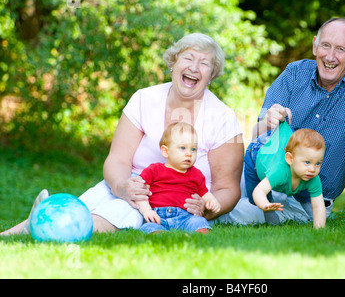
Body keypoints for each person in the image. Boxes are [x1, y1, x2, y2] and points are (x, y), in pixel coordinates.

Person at [1, 33, 243, 236]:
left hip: (179, 201)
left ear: (212, 76)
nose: (193, 67)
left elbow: (228, 188)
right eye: (188, 58)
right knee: (87, 202)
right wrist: (122, 186)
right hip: (133, 184)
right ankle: (15, 233)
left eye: (204, 63)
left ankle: (54, 229)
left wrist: (207, 207)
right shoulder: (144, 99)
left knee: (115, 214)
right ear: (173, 63)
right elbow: (117, 160)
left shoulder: (222, 117)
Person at [229, 17, 345, 226]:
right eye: (325, 45)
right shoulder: (294, 74)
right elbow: (257, 137)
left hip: (306, 198)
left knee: (239, 213)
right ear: (315, 45)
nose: (330, 56)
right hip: (264, 172)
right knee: (218, 190)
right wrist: (267, 123)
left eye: (340, 49)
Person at [137, 122, 221, 234]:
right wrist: (146, 210)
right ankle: (160, 235)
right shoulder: (154, 170)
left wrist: (212, 201)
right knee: (150, 227)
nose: (189, 154)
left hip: (186, 217)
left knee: (199, 222)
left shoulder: (196, 174)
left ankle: (197, 236)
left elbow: (205, 194)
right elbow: (141, 193)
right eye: (183, 148)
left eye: (193, 149)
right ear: (165, 151)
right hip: (158, 216)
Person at [245, 123, 327, 228]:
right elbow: (259, 191)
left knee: (304, 194)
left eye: (317, 163)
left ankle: (313, 220)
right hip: (256, 154)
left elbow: (318, 205)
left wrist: (319, 229)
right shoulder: (279, 171)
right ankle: (270, 216)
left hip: (285, 153)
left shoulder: (312, 177)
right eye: (307, 162)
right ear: (290, 159)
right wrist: (265, 204)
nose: (312, 169)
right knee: (256, 198)